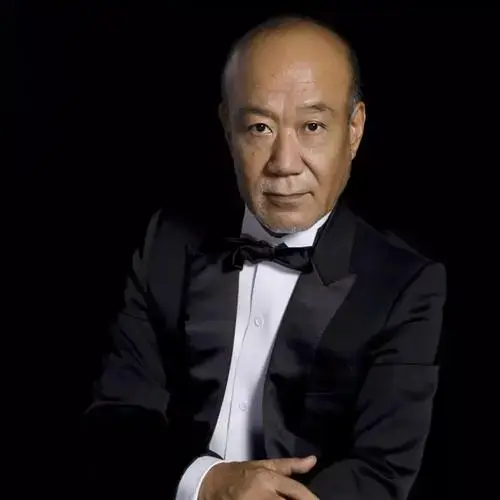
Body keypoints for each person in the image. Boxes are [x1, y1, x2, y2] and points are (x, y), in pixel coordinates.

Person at [82, 14, 447, 500]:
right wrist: (207, 483)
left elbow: (381, 471)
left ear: (354, 130)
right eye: (259, 127)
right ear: (227, 129)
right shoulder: (167, 241)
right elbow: (116, 412)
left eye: (312, 126)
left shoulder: (405, 285)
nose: (284, 164)